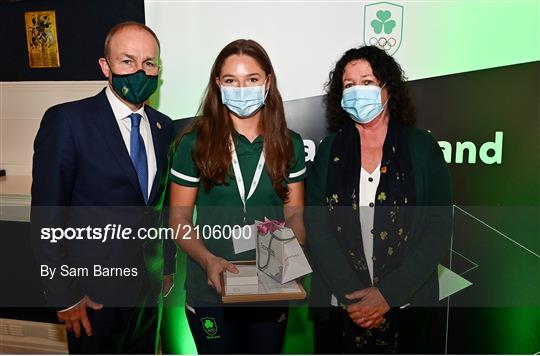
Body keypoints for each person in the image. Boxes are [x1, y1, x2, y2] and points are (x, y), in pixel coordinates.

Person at [31, 21, 176, 354]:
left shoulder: (162, 127)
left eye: (149, 63)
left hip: (147, 292)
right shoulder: (68, 121)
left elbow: (160, 207)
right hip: (91, 296)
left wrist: (166, 267)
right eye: (127, 61)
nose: (140, 71)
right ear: (105, 66)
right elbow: (46, 217)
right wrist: (63, 295)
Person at [306, 45, 452, 353]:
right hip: (340, 307)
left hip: (408, 305)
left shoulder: (423, 148)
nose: (358, 91)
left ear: (388, 89)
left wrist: (387, 295)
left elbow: (437, 229)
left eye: (368, 82)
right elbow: (317, 228)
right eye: (349, 85)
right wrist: (354, 297)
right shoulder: (330, 150)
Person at [169, 39, 306, 354]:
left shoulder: (290, 144)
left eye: (252, 79)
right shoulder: (193, 144)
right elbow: (178, 219)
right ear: (218, 84)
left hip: (271, 288)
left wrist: (290, 247)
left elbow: (295, 213)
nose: (241, 89)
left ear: (268, 82)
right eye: (231, 80)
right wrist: (208, 260)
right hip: (210, 290)